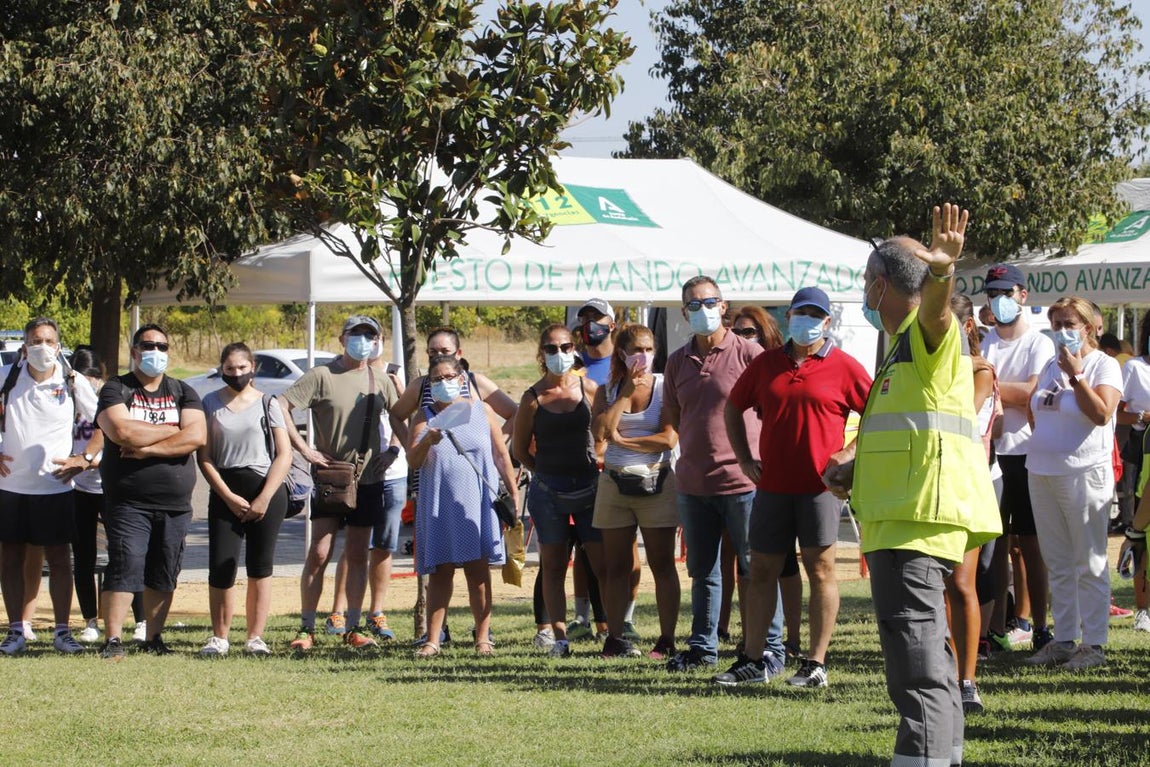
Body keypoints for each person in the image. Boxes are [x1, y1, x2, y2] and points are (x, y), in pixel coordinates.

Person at [824, 204, 1000, 767]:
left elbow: (939, 317)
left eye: (865, 285)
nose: (865, 295)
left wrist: (943, 272)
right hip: (912, 518)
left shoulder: (929, 333)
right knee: (930, 664)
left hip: (914, 524)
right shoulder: (900, 348)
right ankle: (942, 758)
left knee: (916, 665)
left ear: (879, 285)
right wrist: (853, 464)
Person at [718, 287, 871, 689]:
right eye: (799, 313)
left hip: (820, 488)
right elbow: (733, 407)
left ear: (827, 322)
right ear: (788, 317)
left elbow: (875, 413)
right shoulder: (767, 364)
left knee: (820, 570)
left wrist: (849, 453)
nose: (806, 321)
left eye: (814, 314)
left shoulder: (844, 366)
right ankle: (753, 660)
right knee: (762, 570)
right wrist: (744, 458)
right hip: (772, 486)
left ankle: (815, 663)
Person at [661, 276, 785, 673]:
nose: (702, 310)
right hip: (694, 485)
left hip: (743, 483)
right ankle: (703, 648)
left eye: (709, 302)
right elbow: (678, 417)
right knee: (703, 573)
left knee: (757, 570)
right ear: (684, 313)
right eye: (693, 305)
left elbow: (771, 411)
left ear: (723, 305)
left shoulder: (750, 353)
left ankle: (769, 648)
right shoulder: (677, 361)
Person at [280, 315, 406, 652]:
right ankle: (306, 627)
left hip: (369, 479)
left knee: (356, 553)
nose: (363, 340)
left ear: (378, 341)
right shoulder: (321, 376)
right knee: (319, 552)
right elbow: (280, 406)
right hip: (331, 477)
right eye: (356, 334)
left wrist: (394, 450)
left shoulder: (381, 379)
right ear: (342, 338)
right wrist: (304, 449)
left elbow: (402, 416)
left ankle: (352, 626)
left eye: (370, 334)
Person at [96, 323, 207, 659]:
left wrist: (147, 449)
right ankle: (113, 640)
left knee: (164, 570)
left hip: (175, 503)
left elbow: (197, 437)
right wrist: (172, 430)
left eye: (162, 346)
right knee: (125, 564)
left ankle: (153, 639)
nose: (155, 352)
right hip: (128, 501)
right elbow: (121, 430)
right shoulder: (116, 389)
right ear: (134, 351)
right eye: (148, 345)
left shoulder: (183, 391)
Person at [1024, 297, 1121, 669]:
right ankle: (1064, 639)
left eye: (1069, 322)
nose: (1062, 330)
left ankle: (1093, 645)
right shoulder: (1050, 364)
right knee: (1058, 561)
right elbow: (1038, 412)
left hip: (1085, 472)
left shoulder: (1103, 364)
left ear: (1088, 326)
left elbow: (1100, 414)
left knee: (1089, 560)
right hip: (1043, 470)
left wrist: (1078, 375)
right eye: (1056, 322)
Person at [408, 355, 518, 657]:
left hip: (477, 501)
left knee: (478, 571)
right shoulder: (424, 416)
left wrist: (513, 492)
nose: (443, 383)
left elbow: (500, 455)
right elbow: (413, 461)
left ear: (461, 378)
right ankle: (433, 639)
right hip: (440, 501)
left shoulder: (482, 411)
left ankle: (483, 638)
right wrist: (427, 441)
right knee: (441, 573)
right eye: (436, 379)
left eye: (448, 377)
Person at [0, 318, 97, 655]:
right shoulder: (7, 378)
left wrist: (84, 459)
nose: (42, 346)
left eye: (49, 340)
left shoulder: (73, 380)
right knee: (10, 557)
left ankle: (62, 631)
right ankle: (15, 631)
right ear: (25, 346)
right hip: (11, 487)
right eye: (36, 340)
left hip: (55, 488)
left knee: (59, 560)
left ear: (58, 345)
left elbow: (103, 421)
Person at [512, 324, 604, 658]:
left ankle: (614, 634)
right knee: (552, 566)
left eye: (565, 347)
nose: (559, 354)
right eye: (551, 349)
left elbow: (606, 433)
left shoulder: (590, 389)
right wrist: (544, 473)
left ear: (575, 347)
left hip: (590, 489)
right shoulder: (532, 398)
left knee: (601, 564)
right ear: (541, 354)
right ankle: (560, 638)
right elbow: (520, 449)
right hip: (548, 492)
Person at [590, 323, 680, 659]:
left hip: (656, 481)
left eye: (648, 349)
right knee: (615, 566)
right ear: (622, 355)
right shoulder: (608, 389)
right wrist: (626, 390)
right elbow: (600, 432)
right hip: (614, 483)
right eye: (636, 350)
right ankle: (615, 638)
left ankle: (667, 638)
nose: (643, 356)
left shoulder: (663, 386)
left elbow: (669, 438)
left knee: (661, 563)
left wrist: (626, 441)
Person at [197, 343, 292, 657]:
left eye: (242, 367)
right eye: (230, 368)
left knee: (260, 567)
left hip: (266, 492)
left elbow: (284, 454)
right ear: (221, 368)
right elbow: (205, 457)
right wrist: (227, 495)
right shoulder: (210, 402)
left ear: (253, 367)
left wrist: (264, 497)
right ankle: (219, 637)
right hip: (226, 492)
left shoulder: (269, 403)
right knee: (221, 567)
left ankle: (255, 638)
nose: (236, 374)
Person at [979, 262, 1056, 651]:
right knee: (993, 546)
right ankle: (995, 628)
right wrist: (997, 389)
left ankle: (1039, 626)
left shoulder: (1039, 343)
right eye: (993, 294)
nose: (998, 301)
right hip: (989, 454)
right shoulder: (984, 340)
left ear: (1023, 296)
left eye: (1006, 293)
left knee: (1030, 545)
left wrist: (989, 386)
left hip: (1026, 453)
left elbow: (1030, 393)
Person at [725, 304, 803, 656]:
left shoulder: (777, 365)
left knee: (788, 564)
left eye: (749, 332)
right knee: (755, 563)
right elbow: (732, 408)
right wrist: (743, 458)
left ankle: (792, 640)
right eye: (737, 332)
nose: (741, 339)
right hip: (759, 477)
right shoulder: (756, 369)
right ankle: (752, 640)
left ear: (766, 334)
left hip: (796, 477)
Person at [946, 294, 1002, 713]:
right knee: (932, 590)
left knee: (962, 583)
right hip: (929, 487)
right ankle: (941, 675)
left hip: (968, 487)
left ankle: (967, 681)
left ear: (967, 329)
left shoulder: (980, 371)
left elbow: (963, 415)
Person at [1117, 309, 1150, 632]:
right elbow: (1118, 412)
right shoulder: (1135, 368)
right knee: (1140, 529)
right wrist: (1142, 417)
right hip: (1143, 449)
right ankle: (1143, 608)